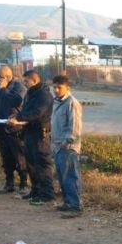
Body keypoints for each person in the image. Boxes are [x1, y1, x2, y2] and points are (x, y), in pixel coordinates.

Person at [8, 70, 55, 204]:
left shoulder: (44, 95)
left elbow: (37, 113)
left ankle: (47, 194)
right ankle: (36, 191)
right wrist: (16, 116)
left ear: (34, 80)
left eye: (26, 81)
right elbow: (25, 110)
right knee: (31, 164)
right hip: (29, 132)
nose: (25, 84)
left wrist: (19, 117)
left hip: (41, 134)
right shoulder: (30, 94)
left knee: (42, 164)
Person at [0, 65, 28, 194]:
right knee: (6, 157)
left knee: (19, 157)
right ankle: (9, 183)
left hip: (14, 128)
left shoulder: (19, 87)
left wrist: (4, 89)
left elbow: (17, 102)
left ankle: (23, 183)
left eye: (0, 77)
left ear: (8, 77)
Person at [50, 75, 83, 215]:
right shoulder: (57, 102)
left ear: (67, 87)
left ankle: (75, 206)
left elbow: (74, 128)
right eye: (54, 87)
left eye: (59, 87)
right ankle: (68, 203)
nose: (56, 90)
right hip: (57, 146)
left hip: (68, 148)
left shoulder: (72, 103)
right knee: (62, 177)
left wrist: (66, 142)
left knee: (70, 177)